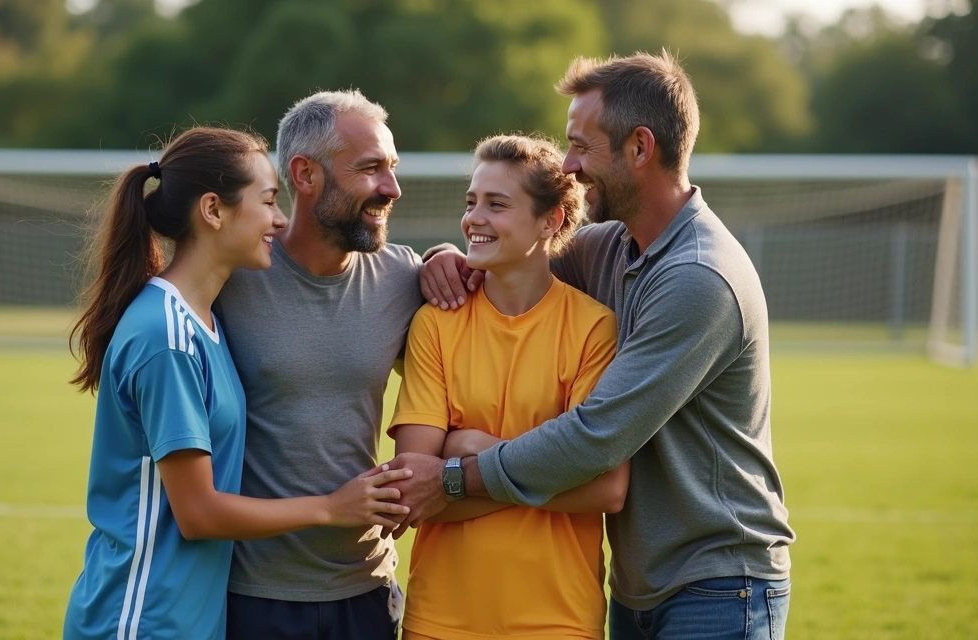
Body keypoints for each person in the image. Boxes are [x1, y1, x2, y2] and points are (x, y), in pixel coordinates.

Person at [394, 51, 796, 640]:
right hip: (638, 583)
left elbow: (596, 438)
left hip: (718, 581)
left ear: (640, 147)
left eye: (582, 146)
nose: (570, 165)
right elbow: (515, 253)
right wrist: (446, 260)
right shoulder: (609, 246)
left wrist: (456, 473)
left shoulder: (699, 277)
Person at [61, 126, 413, 640]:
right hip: (141, 617)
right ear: (213, 210)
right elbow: (198, 512)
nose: (279, 218)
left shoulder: (202, 321)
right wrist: (332, 508)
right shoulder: (167, 338)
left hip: (191, 615)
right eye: (268, 201)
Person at [389, 134, 628, 640]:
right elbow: (414, 483)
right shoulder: (436, 324)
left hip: (557, 619)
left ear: (551, 221)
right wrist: (548, 471)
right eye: (471, 201)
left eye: (497, 204)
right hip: (441, 618)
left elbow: (605, 488)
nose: (474, 217)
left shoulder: (592, 328)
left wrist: (466, 450)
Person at [212, 91, 426, 639]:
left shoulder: (407, 278)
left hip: (369, 592)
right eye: (371, 168)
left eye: (393, 168)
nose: (392, 188)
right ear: (304, 175)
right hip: (252, 595)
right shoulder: (230, 274)